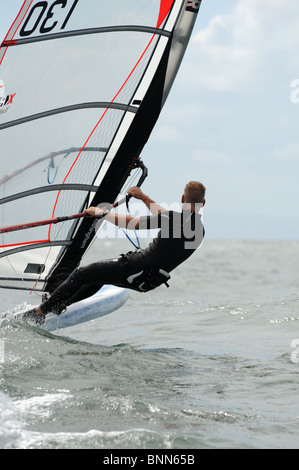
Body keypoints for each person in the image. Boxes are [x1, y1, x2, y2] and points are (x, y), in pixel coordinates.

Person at [23, 181, 206, 325]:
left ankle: (39, 312)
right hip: (149, 281)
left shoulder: (173, 218)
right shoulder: (199, 230)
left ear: (182, 198)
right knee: (98, 277)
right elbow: (167, 216)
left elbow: (132, 223)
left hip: (134, 267)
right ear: (203, 202)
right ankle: (61, 304)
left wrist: (101, 213)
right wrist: (143, 197)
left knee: (81, 274)